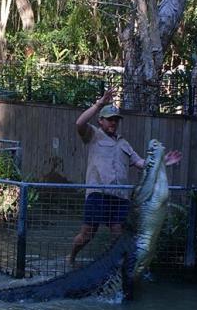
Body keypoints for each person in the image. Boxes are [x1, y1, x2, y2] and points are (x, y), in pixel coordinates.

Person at [68, 88, 182, 265]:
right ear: (101, 121)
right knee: (87, 234)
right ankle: (72, 258)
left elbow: (142, 164)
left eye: (116, 120)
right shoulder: (93, 135)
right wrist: (99, 104)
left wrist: (163, 161)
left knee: (118, 235)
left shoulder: (124, 143)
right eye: (110, 119)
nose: (114, 122)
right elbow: (79, 123)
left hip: (120, 197)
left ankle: (114, 267)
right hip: (98, 193)